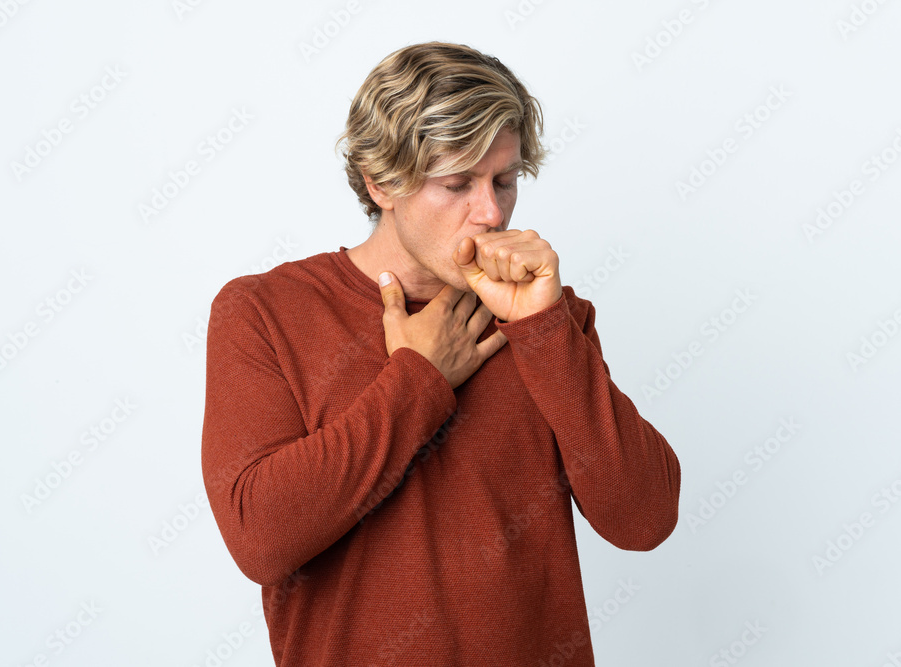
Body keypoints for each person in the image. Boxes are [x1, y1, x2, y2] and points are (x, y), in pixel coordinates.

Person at [201, 41, 681, 667]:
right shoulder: (266, 311)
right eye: (457, 184)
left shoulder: (546, 320)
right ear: (382, 182)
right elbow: (260, 538)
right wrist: (419, 379)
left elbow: (643, 519)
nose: (490, 212)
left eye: (504, 180)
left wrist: (546, 330)